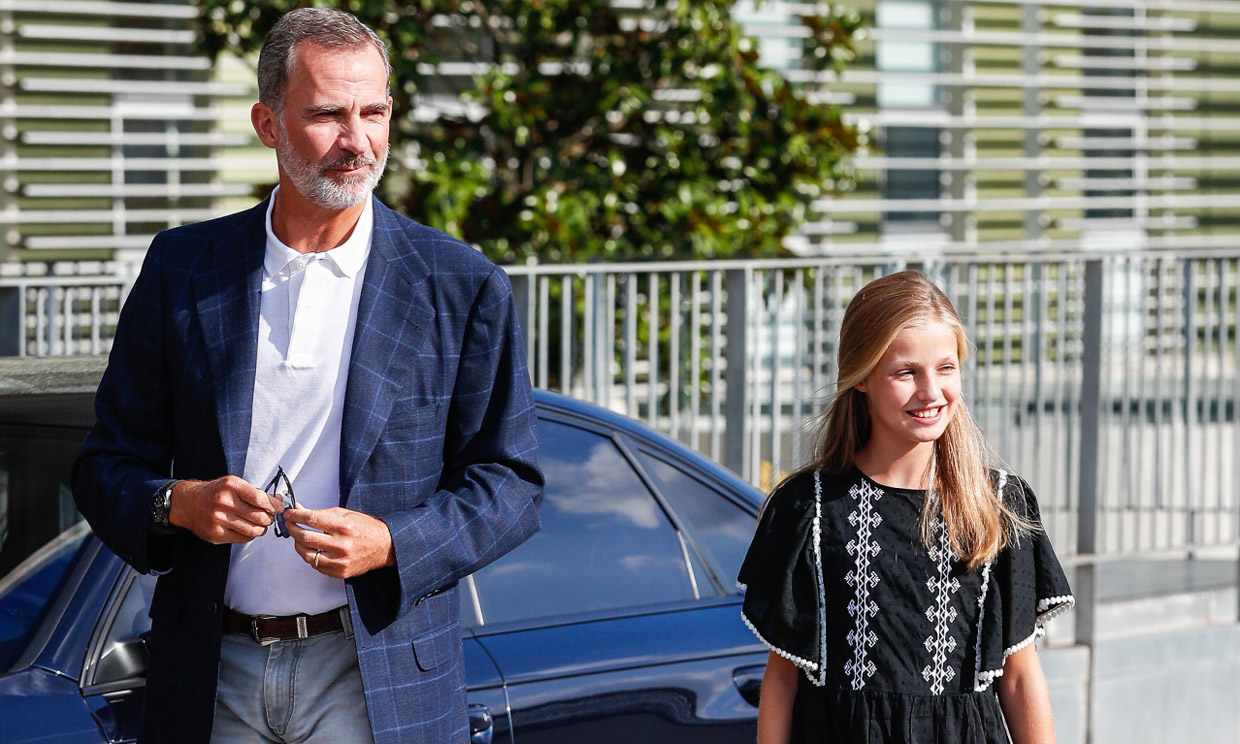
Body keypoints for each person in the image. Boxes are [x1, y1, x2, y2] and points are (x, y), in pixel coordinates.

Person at [71, 8, 542, 744]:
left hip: (377, 675)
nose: (357, 141)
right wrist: (177, 503)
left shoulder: (460, 283)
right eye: (327, 114)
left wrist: (393, 542)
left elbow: (511, 486)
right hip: (209, 669)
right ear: (268, 124)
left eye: (374, 112)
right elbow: (103, 465)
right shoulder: (183, 269)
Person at [738, 270, 1073, 744]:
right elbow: (783, 677)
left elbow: (1018, 677)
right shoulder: (806, 508)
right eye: (905, 372)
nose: (931, 391)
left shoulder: (999, 502)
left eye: (945, 368)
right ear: (860, 378)